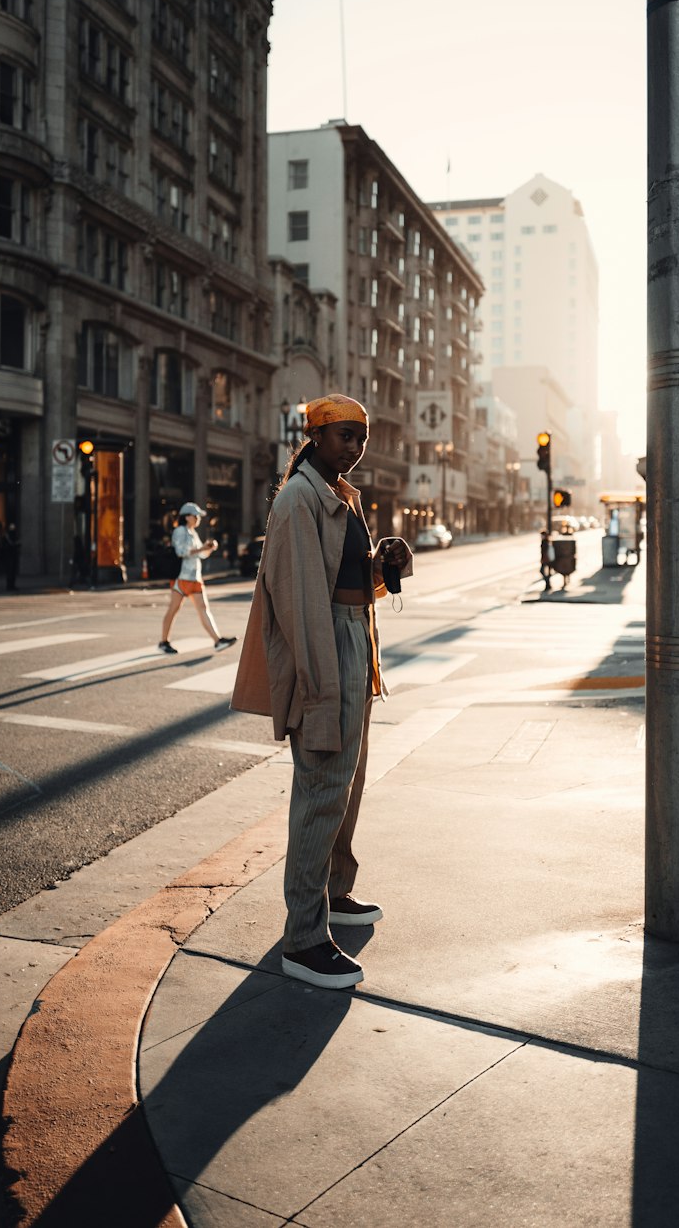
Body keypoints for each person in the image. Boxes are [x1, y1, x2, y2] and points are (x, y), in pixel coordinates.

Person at [231, 393, 412, 990]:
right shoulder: (298, 500)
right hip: (326, 655)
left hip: (354, 642)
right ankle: (304, 939)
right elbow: (303, 608)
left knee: (346, 785)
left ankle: (335, 893)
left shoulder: (339, 495)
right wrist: (317, 692)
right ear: (315, 437)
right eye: (343, 436)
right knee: (321, 788)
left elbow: (349, 588)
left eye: (361, 437)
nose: (355, 448)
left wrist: (384, 569)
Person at [157, 503, 236, 654]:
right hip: (181, 578)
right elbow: (181, 551)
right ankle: (164, 641)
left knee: (203, 609)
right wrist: (202, 548)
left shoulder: (192, 532)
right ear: (187, 517)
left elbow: (200, 554)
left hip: (195, 578)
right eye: (196, 515)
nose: (198, 518)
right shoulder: (180, 531)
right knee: (173, 609)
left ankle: (218, 641)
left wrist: (208, 548)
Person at [0, 522, 20, 590]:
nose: (12, 528)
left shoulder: (14, 535)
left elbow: (17, 543)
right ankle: (9, 586)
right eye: (11, 526)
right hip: (8, 556)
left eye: (13, 526)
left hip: (13, 555)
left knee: (13, 571)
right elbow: (4, 546)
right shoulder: (6, 536)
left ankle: (12, 585)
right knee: (9, 571)